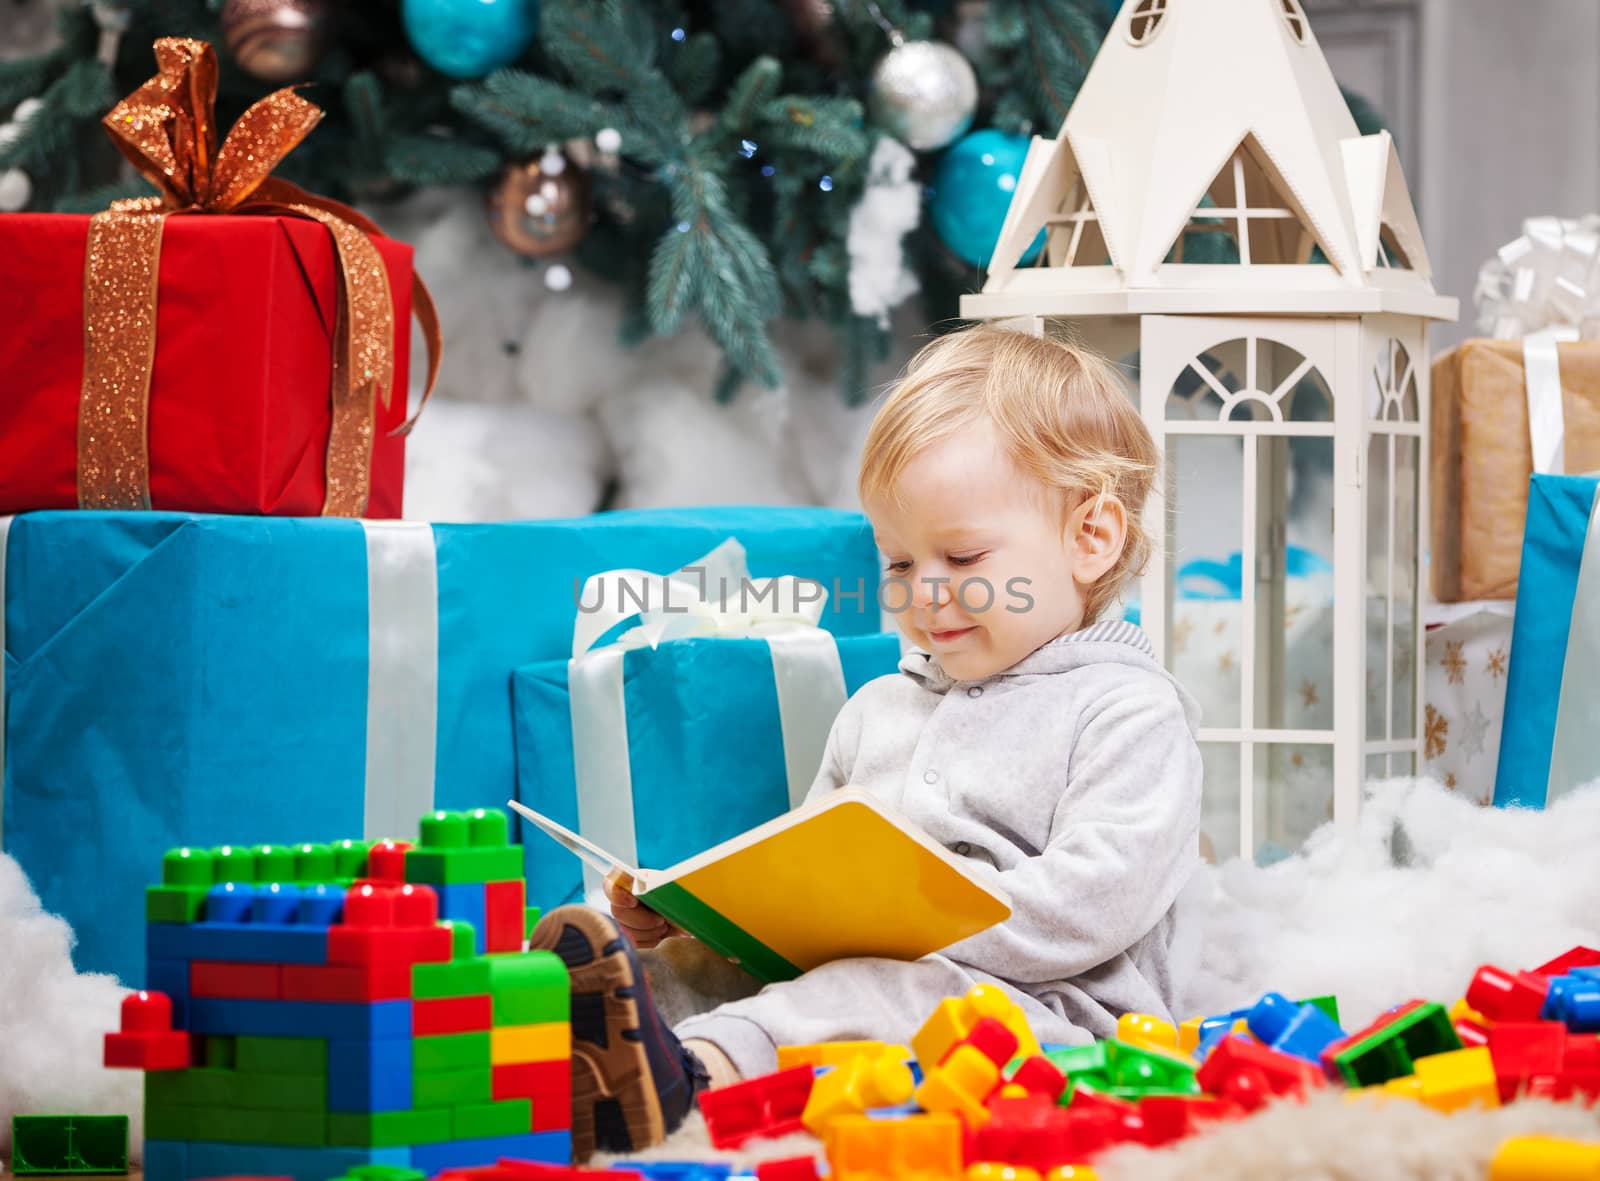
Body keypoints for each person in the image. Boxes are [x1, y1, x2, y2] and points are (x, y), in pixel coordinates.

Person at [528, 325, 1204, 1159]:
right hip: (870, 974)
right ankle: (581, 1036)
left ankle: (689, 1078)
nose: (923, 594)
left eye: (960, 557)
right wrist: (691, 915)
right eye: (897, 563)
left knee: (878, 985)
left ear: (1089, 538)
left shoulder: (1128, 711)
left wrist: (907, 926)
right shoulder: (879, 706)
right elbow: (807, 872)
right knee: (713, 975)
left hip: (1054, 1025)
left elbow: (1088, 908)